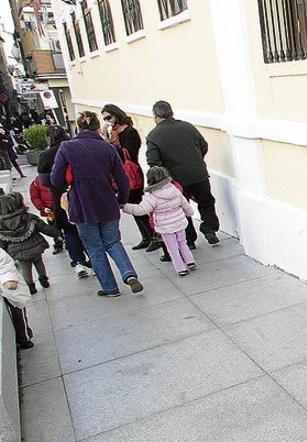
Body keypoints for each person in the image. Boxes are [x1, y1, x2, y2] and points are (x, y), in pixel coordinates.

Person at [51, 111, 144, 298]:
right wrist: (121, 200)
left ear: (78, 126)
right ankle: (129, 274)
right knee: (113, 241)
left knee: (94, 247)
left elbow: (56, 178)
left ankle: (110, 288)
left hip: (82, 205)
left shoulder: (67, 147)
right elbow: (123, 180)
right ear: (96, 127)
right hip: (107, 201)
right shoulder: (108, 148)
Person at [145, 101, 219, 247]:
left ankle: (189, 240)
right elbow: (203, 145)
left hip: (176, 179)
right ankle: (209, 228)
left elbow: (153, 161)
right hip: (198, 173)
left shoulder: (153, 135)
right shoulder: (187, 126)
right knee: (206, 202)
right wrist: (196, 160)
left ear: (155, 115)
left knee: (181, 208)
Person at [101, 104, 157, 252]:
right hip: (121, 174)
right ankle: (146, 237)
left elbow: (129, 154)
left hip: (132, 173)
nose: (108, 121)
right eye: (105, 119)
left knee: (138, 205)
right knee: (131, 206)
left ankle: (153, 235)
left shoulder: (129, 132)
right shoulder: (114, 133)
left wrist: (109, 144)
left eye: (109, 117)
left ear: (116, 115)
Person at [123, 167, 197, 276]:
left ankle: (181, 268)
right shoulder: (174, 189)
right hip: (179, 222)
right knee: (182, 243)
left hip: (165, 227)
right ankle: (190, 262)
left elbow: (140, 210)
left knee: (172, 248)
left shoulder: (152, 197)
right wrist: (189, 212)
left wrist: (125, 207)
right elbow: (184, 203)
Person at [38, 126, 90, 279]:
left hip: (60, 198)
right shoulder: (77, 147)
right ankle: (94, 259)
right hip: (82, 194)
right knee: (87, 229)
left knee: (69, 231)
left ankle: (78, 262)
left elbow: (45, 181)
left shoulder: (45, 155)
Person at [0, 195, 60, 294]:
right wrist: (56, 234)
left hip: (17, 251)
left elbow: (2, 242)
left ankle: (31, 287)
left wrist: (5, 253)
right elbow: (43, 227)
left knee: (25, 268)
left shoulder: (2, 224)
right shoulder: (28, 216)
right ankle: (44, 280)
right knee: (39, 262)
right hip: (35, 245)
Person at [0, 247, 35, 349]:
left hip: (8, 285)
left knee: (18, 311)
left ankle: (23, 338)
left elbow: (5, 264)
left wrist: (8, 279)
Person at [29, 176, 64, 255]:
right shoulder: (36, 182)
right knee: (53, 228)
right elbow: (35, 197)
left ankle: (69, 243)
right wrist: (42, 207)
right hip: (50, 210)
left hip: (63, 207)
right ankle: (58, 243)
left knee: (68, 228)